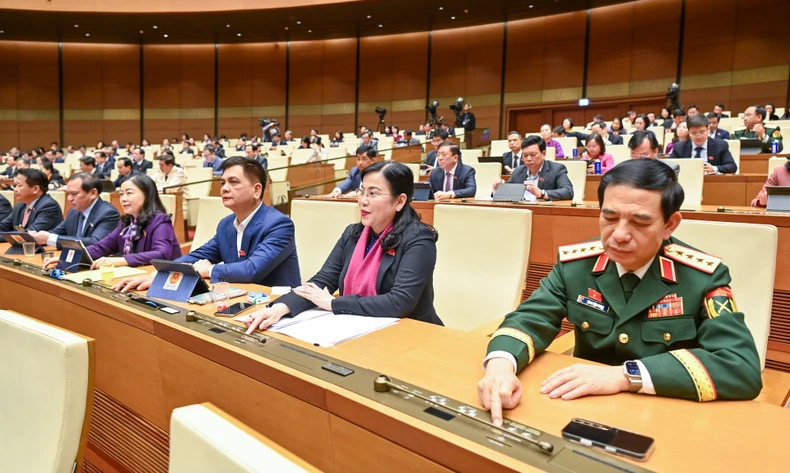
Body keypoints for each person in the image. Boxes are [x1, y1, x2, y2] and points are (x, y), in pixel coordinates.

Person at [477, 159, 762, 425]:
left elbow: (740, 366)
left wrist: (624, 376)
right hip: (581, 410)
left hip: (667, 413)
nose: (619, 234)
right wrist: (500, 366)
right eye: (609, 217)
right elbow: (528, 318)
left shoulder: (702, 277)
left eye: (639, 222)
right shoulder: (576, 266)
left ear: (669, 225)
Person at [243, 161, 442, 333]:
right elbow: (323, 281)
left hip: (411, 334)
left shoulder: (418, 238)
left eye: (373, 194)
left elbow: (400, 302)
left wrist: (332, 303)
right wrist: (281, 308)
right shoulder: (353, 234)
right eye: (361, 191)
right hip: (356, 328)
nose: (363, 201)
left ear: (400, 201)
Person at [116, 157, 301, 291]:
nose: (224, 188)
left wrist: (208, 269)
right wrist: (160, 273)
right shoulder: (226, 224)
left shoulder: (279, 224)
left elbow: (251, 270)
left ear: (256, 189)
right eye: (222, 183)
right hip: (240, 298)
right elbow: (198, 255)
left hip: (276, 304)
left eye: (233, 182)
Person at [82, 174, 181, 268]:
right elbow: (101, 247)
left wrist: (122, 260)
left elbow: (161, 254)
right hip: (133, 275)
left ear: (146, 195)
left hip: (161, 277)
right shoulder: (127, 222)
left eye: (129, 193)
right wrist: (77, 253)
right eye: (121, 194)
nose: (123, 199)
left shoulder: (160, 220)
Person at [32, 173, 120, 250]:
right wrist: (35, 236)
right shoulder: (73, 211)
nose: (69, 199)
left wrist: (50, 238)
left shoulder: (108, 213)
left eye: (74, 194)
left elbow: (96, 243)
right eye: (68, 193)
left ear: (93, 193)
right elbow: (55, 233)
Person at [493, 136, 573, 201]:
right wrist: (498, 189)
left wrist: (541, 193)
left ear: (543, 154)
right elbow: (506, 192)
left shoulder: (556, 169)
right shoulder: (518, 171)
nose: (528, 159)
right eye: (525, 155)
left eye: (533, 154)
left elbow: (568, 191)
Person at [669, 114, 737, 174]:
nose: (698, 136)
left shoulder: (720, 145)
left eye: (702, 132)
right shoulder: (679, 147)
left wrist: (714, 168)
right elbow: (668, 167)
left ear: (708, 130)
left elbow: (732, 166)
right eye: (694, 133)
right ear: (689, 132)